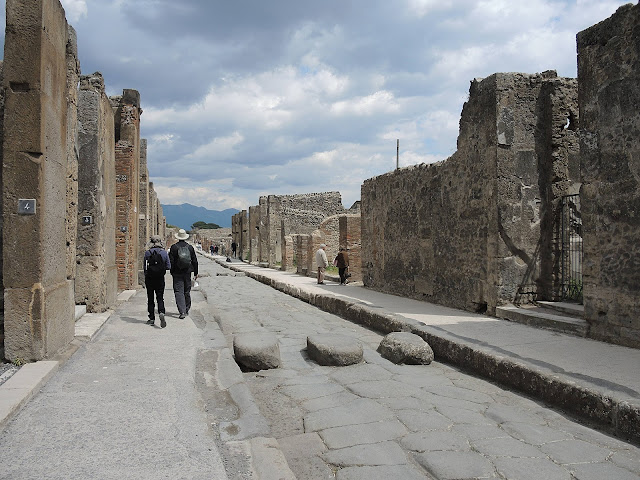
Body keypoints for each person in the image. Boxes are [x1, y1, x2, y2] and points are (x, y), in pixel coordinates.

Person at [169, 228, 198, 319]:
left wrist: (172, 271)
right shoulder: (190, 247)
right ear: (185, 237)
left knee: (178, 291)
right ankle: (186, 308)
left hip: (177, 273)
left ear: (178, 237)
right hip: (187, 272)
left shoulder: (174, 247)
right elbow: (195, 261)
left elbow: (171, 261)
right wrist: (196, 272)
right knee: (186, 291)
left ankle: (182, 311)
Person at [144, 235, 171, 328]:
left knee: (150, 298)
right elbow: (168, 266)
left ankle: (151, 318)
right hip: (160, 278)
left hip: (150, 279)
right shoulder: (164, 253)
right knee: (160, 297)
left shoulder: (147, 253)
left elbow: (145, 267)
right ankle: (161, 312)